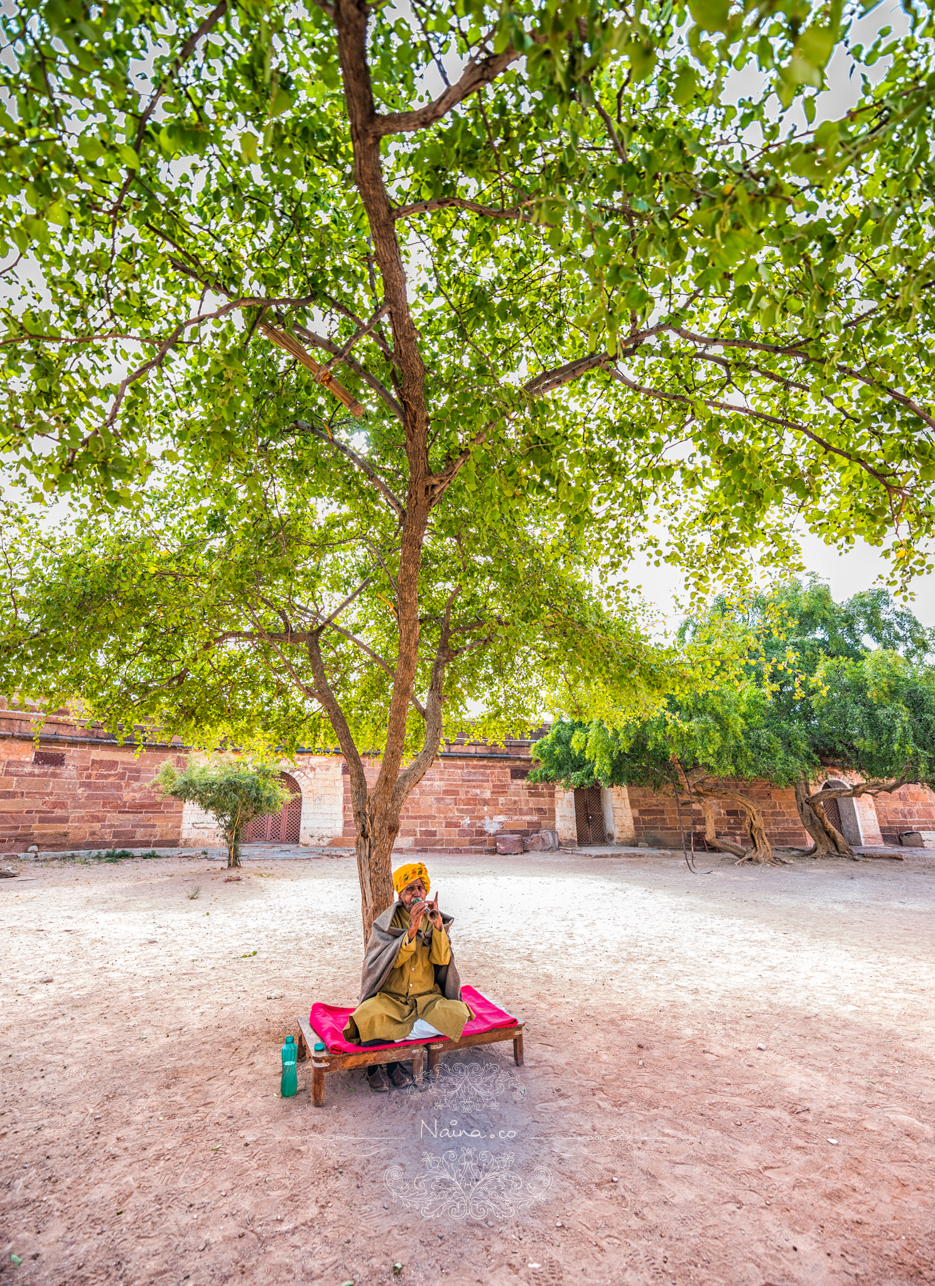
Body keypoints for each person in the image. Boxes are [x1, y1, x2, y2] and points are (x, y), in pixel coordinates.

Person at [344, 861, 472, 1092]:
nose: (416, 893)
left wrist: (439, 928)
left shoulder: (434, 918)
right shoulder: (386, 923)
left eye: (420, 888)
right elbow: (390, 962)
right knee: (364, 1017)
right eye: (410, 889)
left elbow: (442, 961)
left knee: (458, 1014)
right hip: (391, 999)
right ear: (400, 894)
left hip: (427, 1000)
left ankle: (385, 1043)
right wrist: (411, 930)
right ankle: (385, 1064)